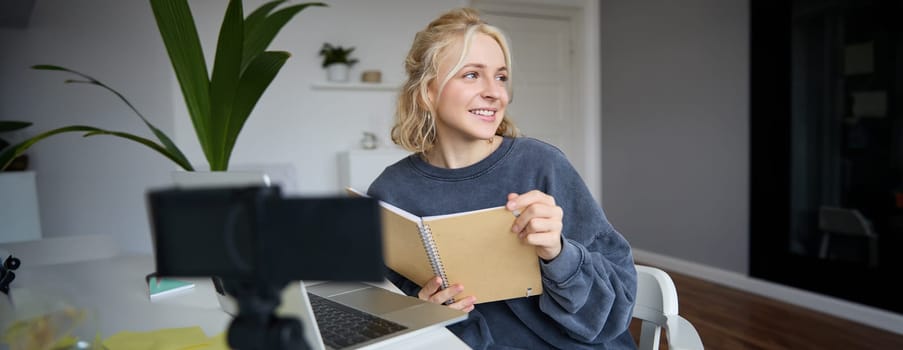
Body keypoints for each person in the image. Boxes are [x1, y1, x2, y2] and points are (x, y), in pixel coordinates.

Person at [367, 7, 637, 349]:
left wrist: (558, 253)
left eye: (501, 76)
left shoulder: (542, 164)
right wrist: (424, 312)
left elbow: (616, 309)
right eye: (471, 75)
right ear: (427, 91)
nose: (495, 92)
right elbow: (385, 313)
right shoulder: (391, 190)